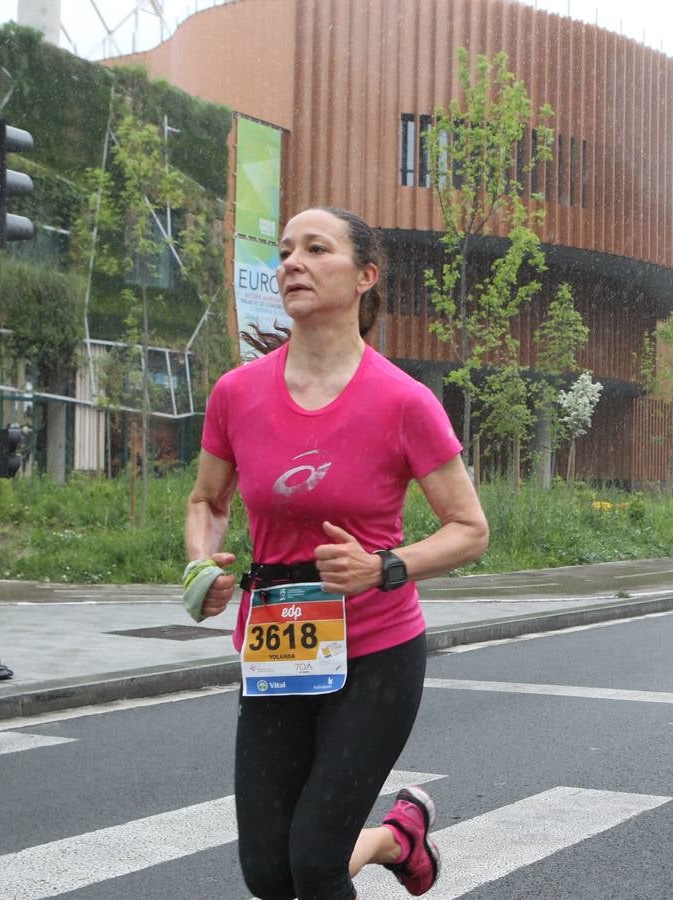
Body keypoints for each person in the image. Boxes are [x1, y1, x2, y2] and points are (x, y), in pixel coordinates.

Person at [184, 206, 489, 900]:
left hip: (377, 649)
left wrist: (386, 566)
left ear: (364, 276)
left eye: (316, 249)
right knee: (269, 874)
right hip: (275, 648)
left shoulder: (403, 401)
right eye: (286, 250)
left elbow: (469, 529)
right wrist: (200, 563)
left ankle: (380, 839)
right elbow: (207, 500)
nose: (292, 262)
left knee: (316, 863)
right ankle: (394, 838)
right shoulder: (237, 394)